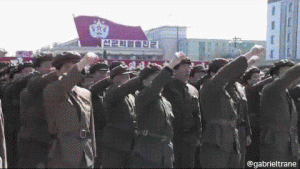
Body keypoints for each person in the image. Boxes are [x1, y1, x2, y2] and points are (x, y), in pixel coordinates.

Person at [199, 45, 265, 168]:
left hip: (232, 139)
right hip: (216, 142)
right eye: (222, 70)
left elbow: (233, 75)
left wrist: (250, 62)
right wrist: (248, 55)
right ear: (213, 73)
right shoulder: (209, 87)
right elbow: (227, 73)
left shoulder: (229, 89)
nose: (227, 74)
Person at [130, 54, 187, 168]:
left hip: (165, 151)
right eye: (156, 76)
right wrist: (171, 65)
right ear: (145, 81)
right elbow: (155, 86)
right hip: (148, 151)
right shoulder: (142, 96)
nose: (162, 80)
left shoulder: (165, 101)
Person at [43, 51, 97, 168]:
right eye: (68, 67)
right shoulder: (51, 90)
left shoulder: (85, 93)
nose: (72, 70)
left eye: (75, 66)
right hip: (63, 152)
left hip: (85, 152)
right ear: (58, 70)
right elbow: (64, 85)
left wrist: (93, 152)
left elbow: (90, 126)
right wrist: (83, 63)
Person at [18, 52, 57, 168]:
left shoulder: (55, 85)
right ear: (38, 68)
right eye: (48, 65)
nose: (52, 68)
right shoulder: (32, 82)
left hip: (51, 139)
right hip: (34, 140)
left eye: (54, 65)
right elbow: (36, 84)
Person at [163, 55, 202, 168]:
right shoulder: (167, 86)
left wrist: (197, 135)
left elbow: (197, 114)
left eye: (189, 67)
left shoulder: (193, 90)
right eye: (184, 67)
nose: (188, 70)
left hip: (189, 138)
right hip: (173, 136)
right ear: (175, 69)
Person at [260, 59, 300, 167]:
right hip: (275, 143)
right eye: (286, 72)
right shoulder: (271, 89)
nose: (291, 77)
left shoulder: (287, 94)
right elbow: (287, 78)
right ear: (274, 76)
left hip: (290, 144)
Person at [100, 64, 141, 168]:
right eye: (124, 76)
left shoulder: (130, 96)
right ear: (116, 78)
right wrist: (143, 76)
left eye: (128, 76)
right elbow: (124, 88)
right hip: (115, 144)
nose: (128, 78)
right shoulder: (111, 92)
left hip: (129, 142)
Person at [243, 67, 272, 165]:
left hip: (260, 127)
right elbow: (256, 87)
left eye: (259, 77)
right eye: (255, 77)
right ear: (248, 80)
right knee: (251, 154)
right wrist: (273, 78)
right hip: (251, 127)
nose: (258, 79)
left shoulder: (261, 91)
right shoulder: (247, 89)